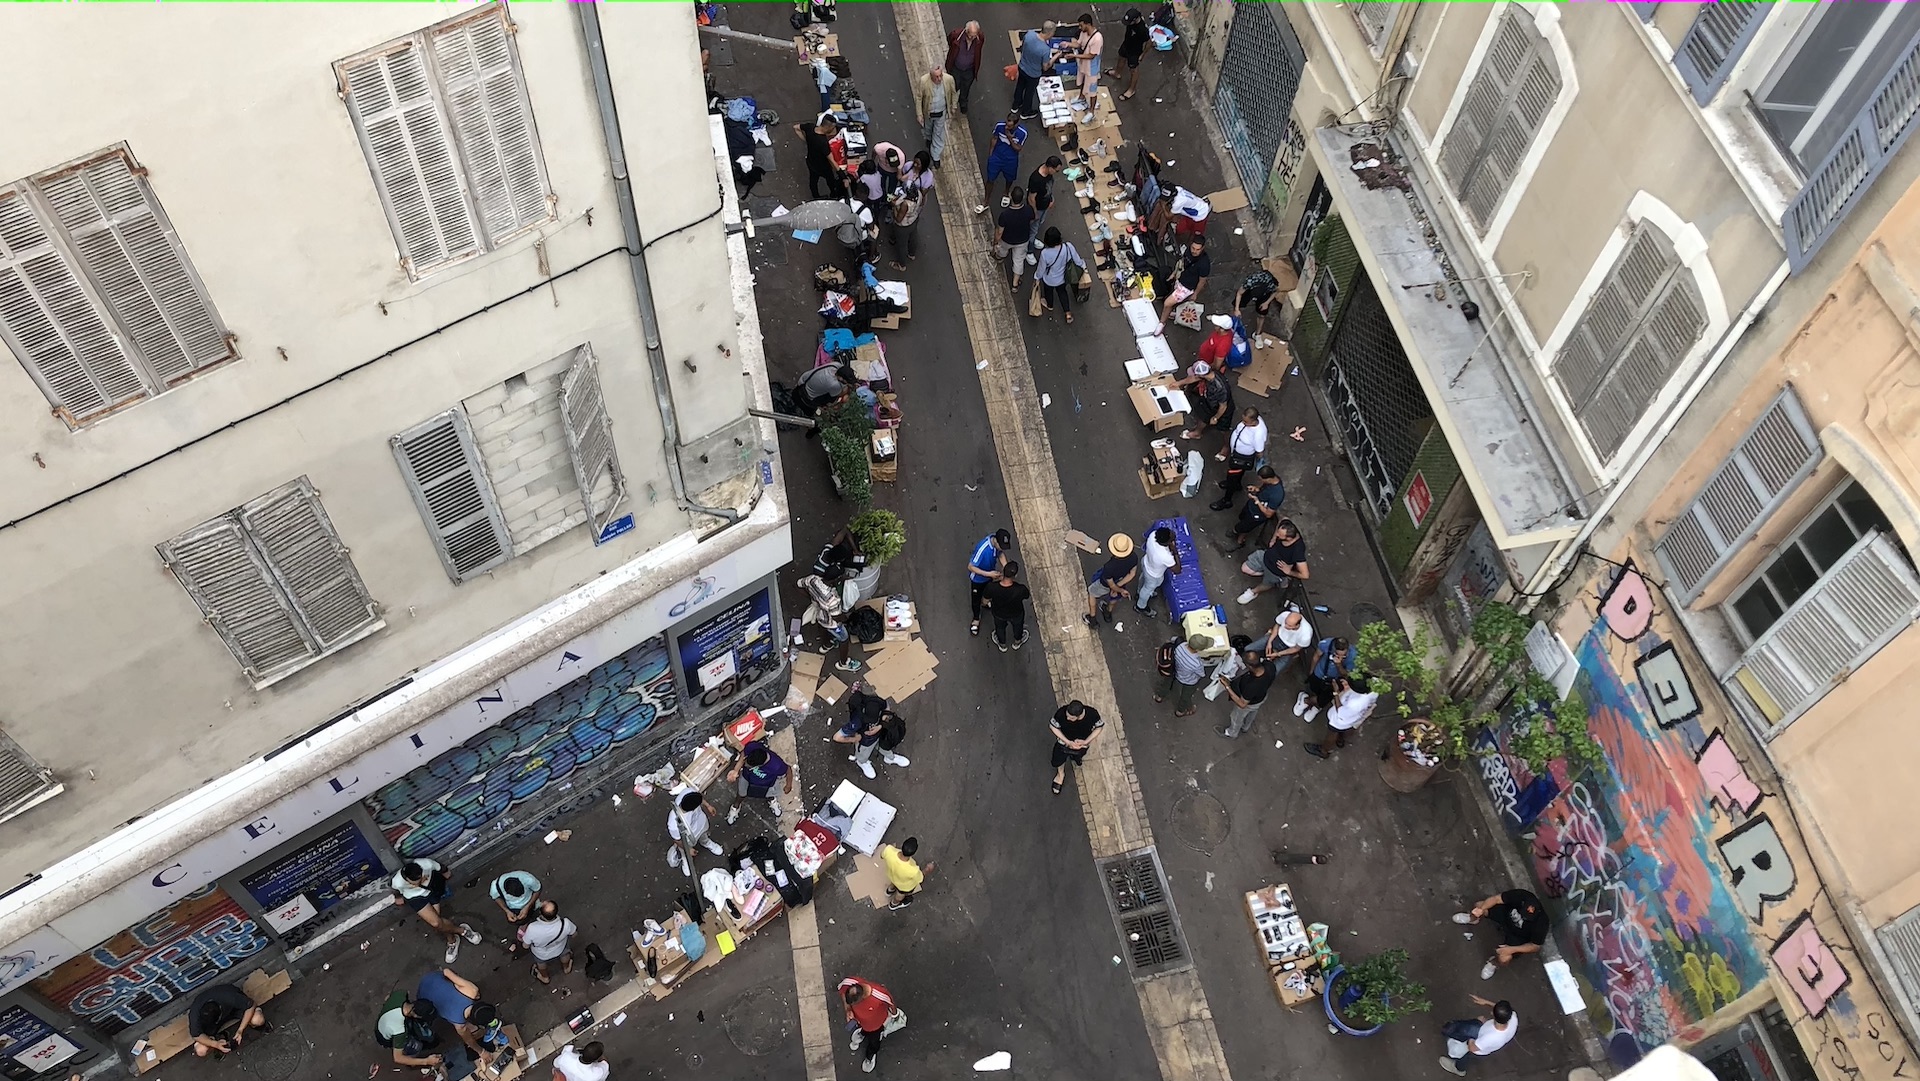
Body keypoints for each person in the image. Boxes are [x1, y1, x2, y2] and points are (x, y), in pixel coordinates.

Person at [392, 858, 481, 964]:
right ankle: (461, 931)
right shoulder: (397, 881)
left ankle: (452, 940)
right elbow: (395, 889)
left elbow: (441, 868)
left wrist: (446, 873)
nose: (419, 883)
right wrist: (398, 898)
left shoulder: (426, 864)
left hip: (432, 891)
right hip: (416, 898)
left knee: (438, 924)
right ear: (406, 879)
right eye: (414, 883)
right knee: (436, 923)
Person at [1452, 888, 1549, 980]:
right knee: (1480, 905)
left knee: (1505, 958)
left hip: (1518, 936)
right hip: (1505, 915)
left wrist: (1511, 949)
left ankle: (1494, 963)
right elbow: (1496, 899)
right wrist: (1481, 910)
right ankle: (1473, 919)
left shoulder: (1542, 923)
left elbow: (1535, 946)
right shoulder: (1523, 895)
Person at [414, 968, 507, 1060]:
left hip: (430, 978)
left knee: (472, 992)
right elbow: (469, 1040)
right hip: (423, 999)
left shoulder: (472, 990)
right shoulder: (459, 1024)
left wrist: (453, 984)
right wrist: (482, 1052)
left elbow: (446, 971)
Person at [836, 686, 910, 780]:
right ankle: (862, 762)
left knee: (885, 746)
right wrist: (855, 739)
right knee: (863, 754)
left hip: (880, 735)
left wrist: (881, 725)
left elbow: (886, 707)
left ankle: (890, 758)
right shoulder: (857, 721)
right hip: (865, 741)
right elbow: (837, 737)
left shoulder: (878, 701)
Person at [1304, 673, 1378, 759]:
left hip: (1341, 719)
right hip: (1357, 716)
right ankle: (1340, 739)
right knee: (1351, 727)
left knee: (1332, 732)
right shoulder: (1375, 685)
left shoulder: (1356, 703)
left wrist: (1336, 692)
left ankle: (1323, 750)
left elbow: (1340, 711)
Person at [1438, 996, 1517, 1076]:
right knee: (1468, 1029)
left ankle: (1459, 1069)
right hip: (1484, 1034)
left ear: (1493, 1014)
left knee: (1465, 1054)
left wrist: (1470, 1038)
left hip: (1478, 1047)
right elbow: (1503, 1010)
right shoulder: (1513, 1017)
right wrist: (1486, 1002)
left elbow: (1472, 1048)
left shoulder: (1490, 1038)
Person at [1238, 518, 1309, 604]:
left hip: (1276, 571)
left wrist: (1289, 572)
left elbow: (1305, 575)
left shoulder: (1298, 550)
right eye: (1278, 532)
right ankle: (1267, 574)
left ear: (1289, 538)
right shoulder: (1287, 526)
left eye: (1280, 535)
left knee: (1267, 583)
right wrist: (1273, 539)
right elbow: (1283, 519)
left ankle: (1253, 592)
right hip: (1266, 556)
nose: (1278, 534)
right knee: (1244, 568)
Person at [1210, 407, 1268, 512]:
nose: (1243, 422)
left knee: (1232, 476)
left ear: (1254, 421)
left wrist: (1260, 462)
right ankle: (1237, 484)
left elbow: (1260, 451)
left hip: (1242, 457)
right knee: (1236, 474)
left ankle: (1227, 500)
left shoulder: (1258, 433)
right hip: (1236, 453)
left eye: (1246, 422)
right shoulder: (1251, 422)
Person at [885, 151, 935, 270]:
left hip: (904, 222)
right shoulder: (917, 194)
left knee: (901, 244)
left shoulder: (905, 204)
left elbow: (898, 219)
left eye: (918, 164)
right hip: (913, 215)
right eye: (915, 162)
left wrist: (894, 207)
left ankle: (901, 264)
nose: (915, 166)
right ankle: (912, 253)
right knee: (913, 233)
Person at [188, 983, 267, 1057]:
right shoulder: (195, 1015)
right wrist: (215, 1044)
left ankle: (255, 1026)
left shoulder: (229, 996)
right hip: (213, 1025)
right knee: (201, 1050)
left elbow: (251, 1005)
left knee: (258, 1019)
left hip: (233, 1009)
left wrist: (240, 1030)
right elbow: (196, 1035)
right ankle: (219, 1044)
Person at [839, 976, 897, 1073]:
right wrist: (848, 1009)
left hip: (876, 1024)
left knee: (874, 1042)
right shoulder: (848, 983)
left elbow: (891, 1004)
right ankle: (862, 1033)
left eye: (854, 1004)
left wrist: (894, 1015)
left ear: (863, 997)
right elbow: (842, 992)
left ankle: (870, 1056)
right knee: (865, 1029)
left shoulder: (879, 995)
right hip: (861, 1021)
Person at [1156, 236, 1212, 333]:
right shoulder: (1187, 251)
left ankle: (1162, 323)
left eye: (1197, 249)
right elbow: (1182, 262)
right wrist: (1174, 273)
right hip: (1180, 278)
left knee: (1167, 303)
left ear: (1202, 248)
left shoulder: (1204, 264)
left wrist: (1195, 294)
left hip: (1187, 287)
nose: (1194, 251)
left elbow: (1202, 280)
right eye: (1193, 248)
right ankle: (1174, 313)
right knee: (1178, 301)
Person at [665, 788, 726, 876]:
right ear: (692, 809)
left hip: (701, 824)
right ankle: (685, 856)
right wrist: (688, 849)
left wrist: (708, 806)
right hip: (687, 837)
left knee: (703, 835)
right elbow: (677, 840)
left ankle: (706, 842)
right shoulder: (674, 823)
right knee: (684, 848)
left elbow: (699, 798)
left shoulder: (689, 792)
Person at [375, 991, 444, 1070]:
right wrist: (426, 1061)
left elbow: (388, 997)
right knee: (415, 1046)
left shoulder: (401, 995)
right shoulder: (399, 1030)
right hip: (384, 1036)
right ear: (415, 1015)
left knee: (419, 1031)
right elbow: (397, 1058)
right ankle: (411, 1062)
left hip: (384, 1019)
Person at [1049, 700, 1105, 794]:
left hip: (1081, 745)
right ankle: (1060, 774)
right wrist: (1067, 742)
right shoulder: (1061, 712)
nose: (1067, 718)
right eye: (1067, 715)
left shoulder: (1092, 714)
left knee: (1078, 756)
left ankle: (1076, 758)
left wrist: (1086, 742)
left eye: (1070, 718)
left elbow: (1099, 727)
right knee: (1058, 758)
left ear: (1079, 716)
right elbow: (1053, 726)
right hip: (1064, 743)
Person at [728, 740, 794, 818]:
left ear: (760, 765)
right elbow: (743, 754)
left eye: (749, 765)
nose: (745, 764)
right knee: (741, 793)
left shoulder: (777, 766)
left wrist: (788, 785)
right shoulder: (752, 746)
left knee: (770, 794)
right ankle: (736, 806)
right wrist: (736, 770)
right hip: (747, 778)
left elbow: (788, 770)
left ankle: (771, 800)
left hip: (767, 784)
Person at [1083, 532, 1137, 627]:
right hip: (1121, 580)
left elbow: (1111, 585)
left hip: (1105, 584)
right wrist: (1120, 587)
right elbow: (1132, 574)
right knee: (1114, 597)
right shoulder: (1133, 557)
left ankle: (1092, 619)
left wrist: (1118, 589)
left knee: (1092, 593)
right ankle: (1108, 613)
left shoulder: (1109, 567)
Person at [966, 528, 1013, 637]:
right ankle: (976, 619)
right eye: (1001, 546)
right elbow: (971, 566)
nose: (1002, 549)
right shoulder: (983, 549)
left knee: (988, 592)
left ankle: (985, 602)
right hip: (978, 579)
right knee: (975, 599)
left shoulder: (997, 545)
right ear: (996, 541)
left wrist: (1006, 568)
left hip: (990, 575)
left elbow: (1000, 554)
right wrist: (988, 574)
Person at [1297, 636, 1357, 720]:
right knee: (1314, 688)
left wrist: (1338, 665)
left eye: (1343, 656)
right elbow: (1316, 656)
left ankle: (1313, 704)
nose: (1339, 657)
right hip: (1320, 672)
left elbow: (1345, 674)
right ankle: (1306, 698)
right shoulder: (1326, 644)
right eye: (1337, 654)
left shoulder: (1353, 656)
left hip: (1335, 680)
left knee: (1325, 697)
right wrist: (1311, 672)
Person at [1219, 650, 1275, 738]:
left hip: (1250, 702)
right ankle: (1245, 727)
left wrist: (1227, 687)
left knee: (1236, 717)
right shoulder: (1270, 666)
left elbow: (1242, 704)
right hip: (1261, 697)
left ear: (1250, 666)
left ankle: (1231, 732)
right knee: (1253, 712)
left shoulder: (1252, 686)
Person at [1034, 227, 1085, 324]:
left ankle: (1050, 305)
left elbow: (1041, 269)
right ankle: (1067, 312)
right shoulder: (1068, 246)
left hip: (1049, 279)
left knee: (1048, 293)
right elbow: (1077, 260)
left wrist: (1037, 277)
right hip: (1063, 278)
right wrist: (1083, 266)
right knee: (1062, 292)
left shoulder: (1045, 253)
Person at [1177, 362, 1234, 447]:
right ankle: (1197, 433)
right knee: (1203, 416)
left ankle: (1227, 446)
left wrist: (1215, 418)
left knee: (1223, 429)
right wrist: (1179, 383)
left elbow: (1223, 406)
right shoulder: (1210, 373)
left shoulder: (1220, 388)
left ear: (1202, 375)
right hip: (1209, 401)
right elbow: (1195, 378)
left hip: (1222, 409)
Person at [519, 901, 576, 985]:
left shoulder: (532, 928)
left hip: (541, 954)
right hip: (561, 948)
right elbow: (574, 934)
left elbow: (525, 946)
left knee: (541, 963)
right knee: (565, 955)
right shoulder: (565, 923)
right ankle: (566, 968)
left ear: (540, 913)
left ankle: (545, 977)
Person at [980, 561, 1032, 652]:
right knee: (1018, 627)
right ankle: (1017, 642)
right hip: (1016, 613)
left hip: (998, 613)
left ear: (1002, 572)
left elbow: (984, 601)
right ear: (1015, 576)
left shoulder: (992, 587)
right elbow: (1026, 596)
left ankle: (1002, 644)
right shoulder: (1020, 589)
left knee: (1000, 628)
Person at [980, 113, 1027, 213]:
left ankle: (1006, 192)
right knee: (990, 179)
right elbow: (994, 138)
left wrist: (1010, 138)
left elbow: (1018, 148)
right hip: (997, 157)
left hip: (1010, 160)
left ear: (1016, 124)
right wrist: (991, 155)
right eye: (1006, 123)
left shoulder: (1022, 133)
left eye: (1009, 126)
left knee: (1009, 178)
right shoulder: (999, 126)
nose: (1006, 127)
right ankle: (986, 201)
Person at [912, 66, 957, 169]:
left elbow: (953, 93)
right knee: (928, 128)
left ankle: (935, 155)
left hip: (941, 112)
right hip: (928, 112)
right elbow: (919, 98)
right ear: (931, 76)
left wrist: (953, 106)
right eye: (936, 77)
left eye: (940, 75)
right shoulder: (924, 81)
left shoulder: (949, 79)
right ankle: (928, 138)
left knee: (938, 133)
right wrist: (919, 114)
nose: (939, 79)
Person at [993, 186, 1037, 289]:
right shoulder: (1028, 210)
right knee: (1018, 260)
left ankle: (1000, 257)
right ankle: (1015, 284)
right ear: (1022, 198)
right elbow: (1033, 219)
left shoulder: (1005, 215)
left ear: (1011, 197)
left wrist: (995, 241)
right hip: (1022, 240)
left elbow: (999, 232)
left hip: (1007, 240)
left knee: (1003, 250)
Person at [794, 115, 847, 200]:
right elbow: (832, 161)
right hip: (823, 167)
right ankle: (833, 195)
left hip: (811, 162)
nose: (833, 130)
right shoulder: (823, 143)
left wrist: (806, 141)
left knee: (813, 181)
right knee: (830, 181)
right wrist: (843, 177)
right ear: (828, 127)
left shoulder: (810, 127)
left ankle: (816, 196)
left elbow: (796, 128)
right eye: (832, 128)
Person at [1230, 467, 1285, 550]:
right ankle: (1237, 531)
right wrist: (1256, 489)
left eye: (1262, 479)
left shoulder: (1277, 495)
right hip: (1251, 506)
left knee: (1246, 527)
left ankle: (1239, 541)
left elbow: (1269, 514)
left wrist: (1257, 501)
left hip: (1257, 514)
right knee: (1242, 520)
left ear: (1268, 478)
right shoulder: (1271, 482)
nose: (1261, 481)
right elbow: (1263, 489)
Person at [1013, 21, 1059, 118]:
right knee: (1029, 92)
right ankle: (1026, 112)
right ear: (1050, 33)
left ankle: (1015, 105)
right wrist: (1056, 56)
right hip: (1033, 74)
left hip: (1022, 66)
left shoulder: (1029, 34)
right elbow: (1045, 67)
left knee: (1020, 86)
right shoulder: (1045, 49)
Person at [1156, 634, 1210, 717]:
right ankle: (1180, 711)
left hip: (1175, 671)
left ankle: (1160, 696)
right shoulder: (1196, 663)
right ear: (1198, 649)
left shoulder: (1180, 646)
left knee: (1166, 683)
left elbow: (1173, 639)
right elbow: (1201, 674)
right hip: (1189, 681)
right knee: (1186, 696)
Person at [1135, 526, 1180, 619]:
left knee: (1143, 578)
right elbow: (1177, 570)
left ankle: (1139, 592)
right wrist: (1175, 551)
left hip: (1146, 562)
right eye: (1171, 538)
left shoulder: (1153, 535)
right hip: (1153, 575)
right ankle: (1141, 606)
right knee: (1147, 590)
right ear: (1167, 543)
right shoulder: (1165, 556)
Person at [490, 870, 541, 952]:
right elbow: (496, 898)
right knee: (521, 920)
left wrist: (527, 906)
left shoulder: (528, 879)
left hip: (532, 904)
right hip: (513, 909)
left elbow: (537, 890)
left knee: (536, 914)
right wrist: (507, 911)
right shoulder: (495, 886)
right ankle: (524, 925)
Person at [880, 837, 935, 909]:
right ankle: (894, 904)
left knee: (894, 882)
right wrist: (928, 869)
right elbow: (920, 877)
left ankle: (889, 890)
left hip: (892, 876)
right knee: (900, 894)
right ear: (912, 853)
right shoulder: (913, 870)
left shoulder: (889, 850)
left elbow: (882, 856)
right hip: (904, 886)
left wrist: (892, 848)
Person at [1108, 8, 1150, 101]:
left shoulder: (1142, 30)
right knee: (1121, 57)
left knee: (1133, 70)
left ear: (1135, 20)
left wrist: (1143, 54)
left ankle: (1132, 90)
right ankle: (1117, 73)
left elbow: (1149, 42)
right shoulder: (1131, 23)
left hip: (1134, 51)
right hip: (1126, 44)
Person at [945, 21, 983, 115]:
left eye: (974, 35)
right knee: (954, 86)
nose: (972, 38)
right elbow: (950, 41)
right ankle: (949, 101)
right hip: (956, 68)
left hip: (969, 70)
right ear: (966, 31)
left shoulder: (980, 38)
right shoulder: (956, 35)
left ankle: (963, 103)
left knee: (966, 88)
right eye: (970, 35)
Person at [1234, 267, 1281, 341]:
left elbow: (1276, 291)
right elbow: (1239, 293)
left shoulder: (1270, 285)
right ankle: (1233, 325)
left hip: (1264, 296)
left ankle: (1257, 334)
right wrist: (1236, 309)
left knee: (1262, 314)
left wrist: (1266, 303)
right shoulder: (1249, 282)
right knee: (1237, 306)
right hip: (1252, 290)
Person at [1070, 13, 1104, 110]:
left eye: (1081, 25)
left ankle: (1091, 112)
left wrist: (1075, 55)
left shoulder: (1097, 39)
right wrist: (1068, 44)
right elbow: (1079, 44)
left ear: (1088, 24)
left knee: (1092, 91)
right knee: (1082, 82)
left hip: (1092, 69)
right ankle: (1081, 97)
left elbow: (1091, 55)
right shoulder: (1083, 33)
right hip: (1083, 65)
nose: (1080, 28)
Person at [1026, 156, 1061, 228]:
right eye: (1056, 171)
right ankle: (1031, 239)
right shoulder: (1036, 180)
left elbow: (1049, 188)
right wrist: (1035, 213)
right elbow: (1031, 198)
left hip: (1045, 202)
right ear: (1050, 168)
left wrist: (1051, 199)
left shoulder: (1048, 172)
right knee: (1034, 227)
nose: (1056, 173)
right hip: (1038, 206)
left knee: (1040, 220)